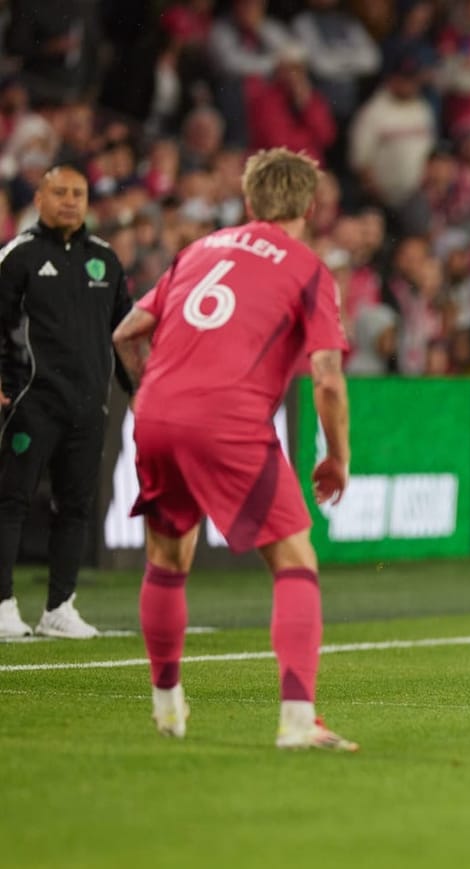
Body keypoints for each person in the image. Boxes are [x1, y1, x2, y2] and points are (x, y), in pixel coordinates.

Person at [111, 148, 357, 751]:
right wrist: (337, 456)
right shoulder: (307, 269)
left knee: (167, 561)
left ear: (249, 201)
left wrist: (147, 394)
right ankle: (298, 722)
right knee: (295, 563)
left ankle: (168, 707)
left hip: (157, 413)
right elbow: (326, 376)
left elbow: (125, 332)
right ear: (308, 205)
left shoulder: (200, 250)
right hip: (228, 419)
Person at [0, 163, 133, 640]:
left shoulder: (106, 259)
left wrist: (138, 390)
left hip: (87, 407)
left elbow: (124, 334)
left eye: (78, 192)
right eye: (60, 192)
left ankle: (60, 607)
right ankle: (2, 604)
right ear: (39, 199)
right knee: (9, 500)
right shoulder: (18, 256)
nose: (71, 200)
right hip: (30, 401)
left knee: (74, 506)